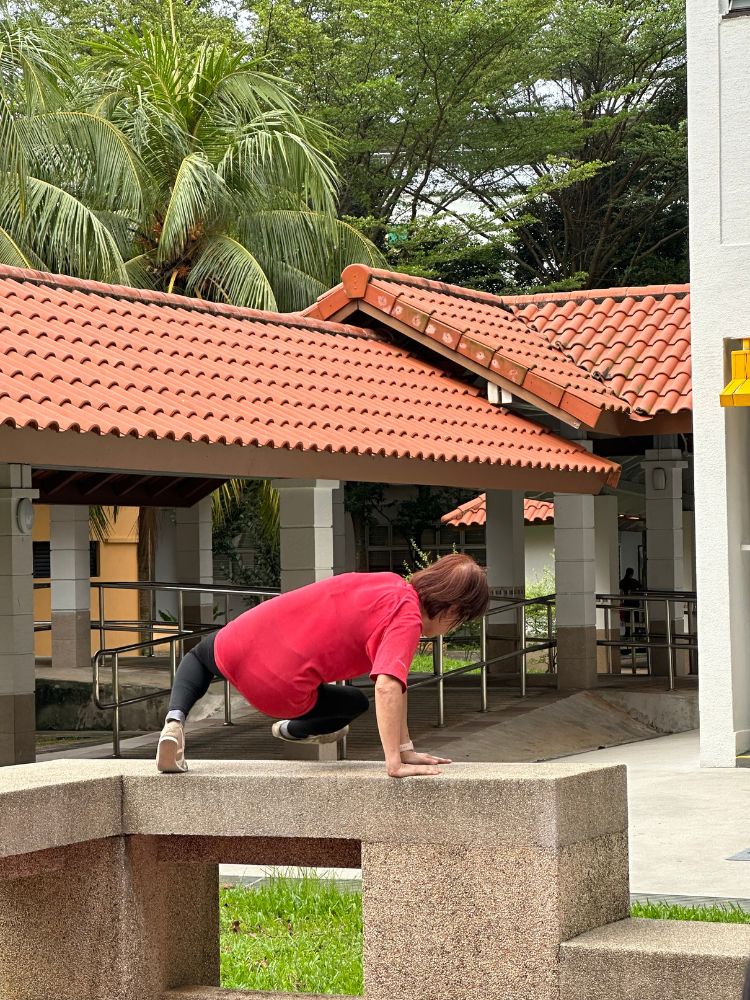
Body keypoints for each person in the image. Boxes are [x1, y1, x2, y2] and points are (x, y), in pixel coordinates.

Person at [156, 553, 489, 779]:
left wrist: (406, 748)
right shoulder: (407, 619)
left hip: (242, 640)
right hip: (280, 688)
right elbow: (388, 686)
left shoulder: (388, 584)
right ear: (452, 611)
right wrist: (394, 763)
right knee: (353, 702)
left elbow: (396, 685)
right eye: (459, 621)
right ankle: (293, 729)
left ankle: (174, 723)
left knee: (198, 657)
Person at [619, 566, 643, 639]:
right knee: (635, 618)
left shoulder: (622, 582)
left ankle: (627, 633)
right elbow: (641, 589)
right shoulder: (635, 582)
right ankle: (635, 632)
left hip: (627, 603)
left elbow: (621, 592)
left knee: (627, 618)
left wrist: (621, 600)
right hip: (635, 602)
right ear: (632, 574)